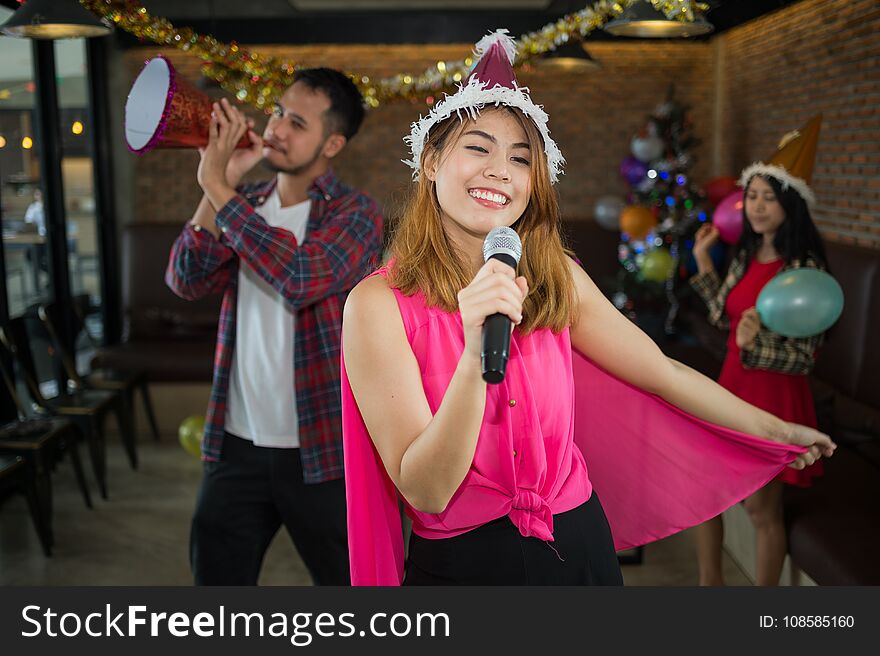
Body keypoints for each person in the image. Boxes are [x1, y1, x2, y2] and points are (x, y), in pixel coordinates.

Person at [340, 31, 834, 586]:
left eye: (521, 158)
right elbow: (426, 489)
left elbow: (663, 373)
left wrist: (775, 430)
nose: (501, 170)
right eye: (478, 147)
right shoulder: (378, 305)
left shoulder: (557, 279)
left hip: (580, 545)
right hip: (467, 564)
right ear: (431, 161)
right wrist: (477, 351)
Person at [166, 68, 384, 585]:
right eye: (278, 113)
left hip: (323, 446)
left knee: (349, 584)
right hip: (235, 441)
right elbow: (185, 279)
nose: (277, 129)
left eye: (297, 123)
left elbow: (300, 278)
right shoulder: (245, 202)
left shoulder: (357, 214)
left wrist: (220, 188)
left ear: (332, 143)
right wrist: (221, 187)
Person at [690, 115, 828, 586]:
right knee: (704, 493)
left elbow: (805, 357)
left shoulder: (804, 267)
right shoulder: (747, 256)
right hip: (732, 387)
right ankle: (711, 589)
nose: (758, 206)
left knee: (760, 508)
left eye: (770, 198)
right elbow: (721, 314)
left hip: (775, 395)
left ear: (791, 205)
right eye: (752, 196)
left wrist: (756, 344)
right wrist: (704, 262)